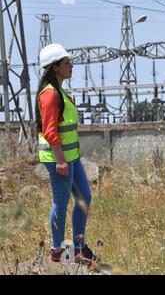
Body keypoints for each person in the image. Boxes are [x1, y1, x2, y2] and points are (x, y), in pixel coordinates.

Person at [35, 43, 98, 264]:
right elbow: (50, 131)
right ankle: (57, 250)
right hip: (58, 158)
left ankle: (79, 247)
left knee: (84, 198)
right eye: (66, 62)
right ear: (55, 67)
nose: (71, 65)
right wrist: (60, 160)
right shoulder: (50, 95)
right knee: (61, 202)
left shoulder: (59, 91)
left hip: (71, 157)